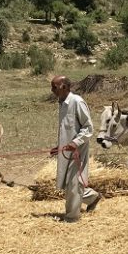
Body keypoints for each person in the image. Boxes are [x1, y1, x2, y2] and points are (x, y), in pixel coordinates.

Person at [49, 76, 101, 222]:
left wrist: (76, 142)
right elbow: (67, 129)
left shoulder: (77, 102)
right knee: (68, 181)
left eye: (55, 87)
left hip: (78, 150)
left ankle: (71, 218)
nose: (52, 90)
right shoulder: (62, 103)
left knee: (74, 182)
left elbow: (88, 127)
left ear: (64, 87)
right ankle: (92, 198)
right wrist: (59, 147)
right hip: (67, 150)